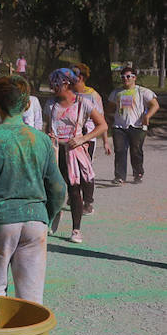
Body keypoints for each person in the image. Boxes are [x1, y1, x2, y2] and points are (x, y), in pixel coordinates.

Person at [0, 75, 67, 304]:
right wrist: (46, 218)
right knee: (31, 299)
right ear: (27, 104)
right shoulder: (41, 140)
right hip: (36, 222)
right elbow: (58, 189)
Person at [43, 68, 107, 243]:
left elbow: (102, 125)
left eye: (55, 83)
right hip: (55, 151)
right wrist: (48, 135)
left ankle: (76, 229)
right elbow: (48, 126)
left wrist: (83, 138)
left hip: (74, 153)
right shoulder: (50, 104)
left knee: (74, 190)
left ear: (66, 83)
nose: (52, 87)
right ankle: (52, 217)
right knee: (52, 187)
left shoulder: (83, 103)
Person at [107, 66, 159, 184]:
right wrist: (110, 118)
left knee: (136, 151)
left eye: (128, 76)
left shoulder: (142, 91)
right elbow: (109, 108)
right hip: (119, 127)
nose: (126, 79)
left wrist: (147, 116)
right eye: (123, 77)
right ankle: (119, 177)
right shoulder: (116, 92)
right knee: (120, 150)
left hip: (137, 126)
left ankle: (138, 173)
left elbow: (155, 105)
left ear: (134, 77)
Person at [71, 62, 111, 214]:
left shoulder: (93, 95)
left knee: (85, 170)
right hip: (72, 137)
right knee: (71, 170)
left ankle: (88, 202)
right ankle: (75, 195)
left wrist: (106, 141)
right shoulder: (70, 93)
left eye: (72, 74)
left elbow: (101, 121)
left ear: (80, 77)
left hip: (88, 138)